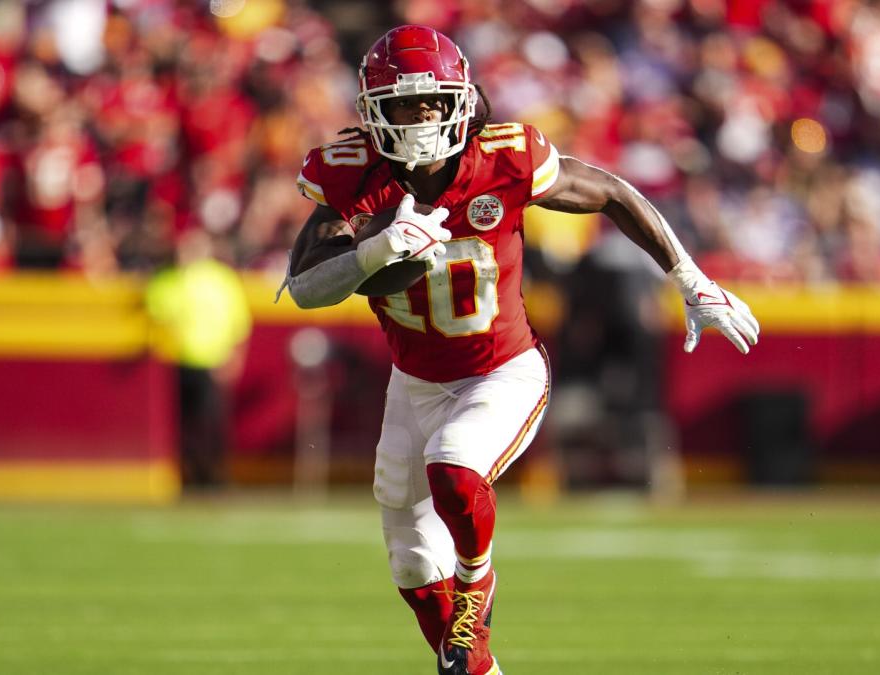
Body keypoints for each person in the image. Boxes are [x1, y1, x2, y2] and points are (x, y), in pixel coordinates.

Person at [281, 25, 760, 675]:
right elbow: (306, 286)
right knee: (413, 562)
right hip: (412, 382)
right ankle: (479, 668)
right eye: (402, 104)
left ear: (460, 100)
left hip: (500, 371)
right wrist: (377, 249)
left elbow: (612, 193)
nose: (419, 118)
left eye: (431, 102)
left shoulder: (503, 159)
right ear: (372, 109)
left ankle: (477, 586)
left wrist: (689, 278)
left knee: (453, 464)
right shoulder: (354, 173)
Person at [146, 228, 251, 488]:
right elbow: (155, 317)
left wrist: (233, 357)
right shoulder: (168, 280)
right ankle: (191, 477)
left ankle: (215, 476)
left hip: (211, 362)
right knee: (184, 427)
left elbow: (239, 323)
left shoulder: (221, 280)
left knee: (211, 425)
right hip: (178, 363)